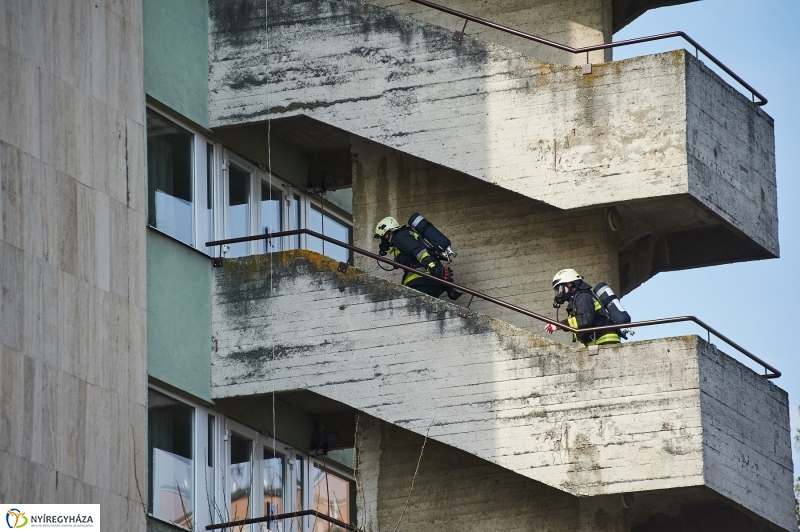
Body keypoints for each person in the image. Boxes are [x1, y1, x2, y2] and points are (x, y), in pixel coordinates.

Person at [374, 216, 461, 300]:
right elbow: (428, 255)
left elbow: (419, 252)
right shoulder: (405, 236)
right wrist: (448, 287)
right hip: (432, 283)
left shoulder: (401, 236)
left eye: (381, 237)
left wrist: (433, 268)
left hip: (420, 283)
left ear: (387, 234)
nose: (381, 242)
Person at [543, 268, 620, 346]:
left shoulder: (583, 296)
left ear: (569, 284)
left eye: (559, 288)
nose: (559, 292)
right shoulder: (577, 298)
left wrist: (560, 325)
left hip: (605, 340)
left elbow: (584, 320)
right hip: (598, 341)